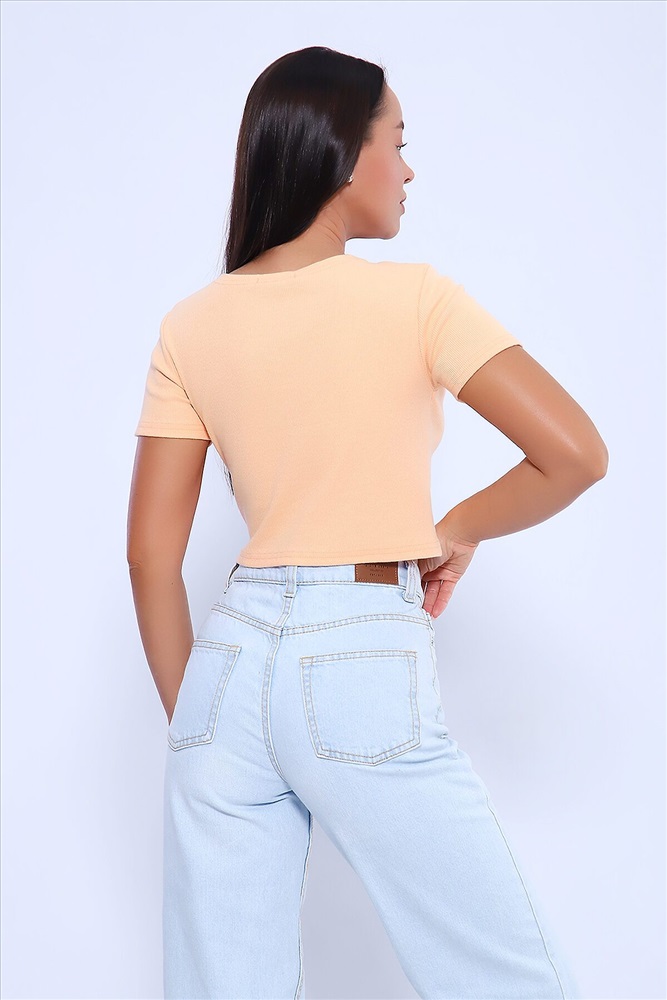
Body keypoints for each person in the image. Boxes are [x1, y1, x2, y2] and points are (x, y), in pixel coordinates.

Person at [127, 45, 606, 1000]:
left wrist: (199, 731)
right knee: (505, 978)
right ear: (346, 154)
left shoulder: (193, 323)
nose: (408, 169)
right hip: (354, 654)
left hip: (224, 668)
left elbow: (149, 557)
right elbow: (576, 455)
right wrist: (456, 527)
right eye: (398, 141)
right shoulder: (414, 298)